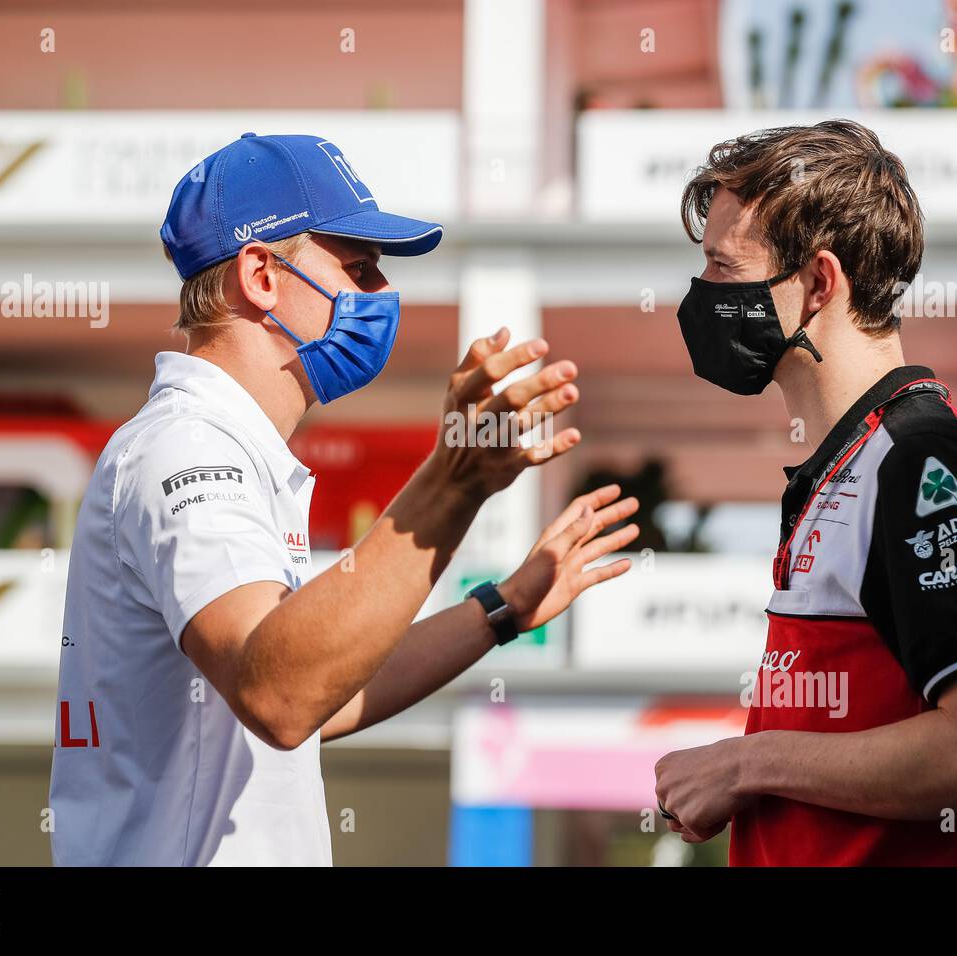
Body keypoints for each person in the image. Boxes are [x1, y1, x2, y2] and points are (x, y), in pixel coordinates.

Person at [48, 133, 639, 865]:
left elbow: (324, 682)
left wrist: (504, 606)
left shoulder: (227, 446)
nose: (384, 296)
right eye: (359, 268)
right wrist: (449, 482)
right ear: (260, 275)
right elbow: (280, 695)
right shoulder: (186, 445)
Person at [653, 119, 957, 865]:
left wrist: (746, 763)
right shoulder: (853, 463)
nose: (701, 295)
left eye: (723, 269)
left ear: (818, 283)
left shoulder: (920, 458)